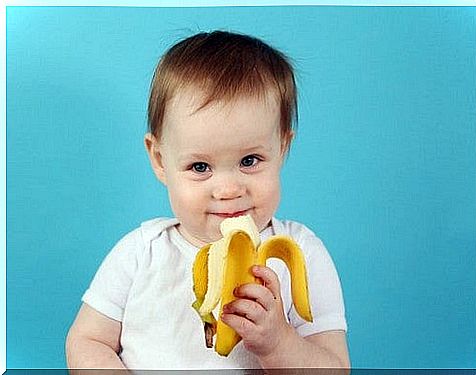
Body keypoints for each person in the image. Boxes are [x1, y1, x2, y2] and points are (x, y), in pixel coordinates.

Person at [65, 30, 350, 371]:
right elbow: (87, 340)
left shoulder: (299, 254)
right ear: (159, 160)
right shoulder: (140, 252)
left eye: (250, 161)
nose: (228, 189)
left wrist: (278, 343)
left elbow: (335, 367)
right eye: (200, 167)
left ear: (282, 148)